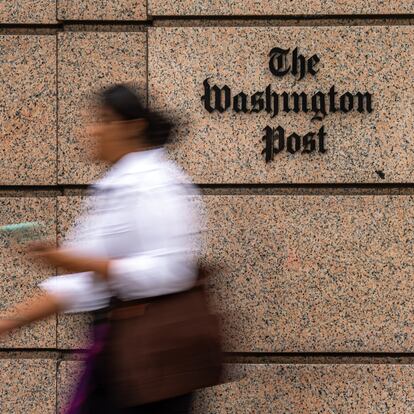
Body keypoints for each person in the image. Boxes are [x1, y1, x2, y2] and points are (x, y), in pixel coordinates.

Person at [0, 84, 214, 413]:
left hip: (148, 357)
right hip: (121, 356)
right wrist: (11, 321)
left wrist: (84, 262)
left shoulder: (155, 184)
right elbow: (80, 285)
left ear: (132, 127)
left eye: (102, 120)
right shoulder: (117, 185)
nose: (92, 130)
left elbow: (173, 271)